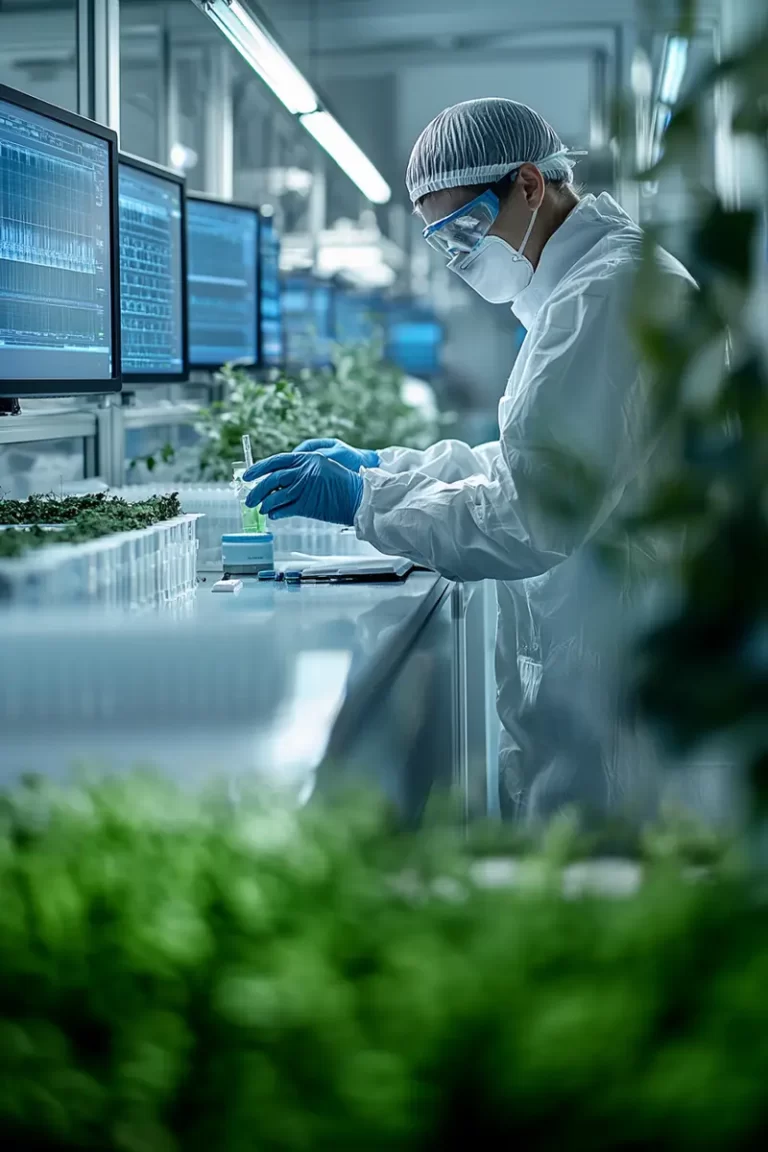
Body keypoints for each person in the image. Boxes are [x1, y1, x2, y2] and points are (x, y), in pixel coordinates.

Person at [245, 98, 695, 823]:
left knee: (610, 884)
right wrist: (382, 468)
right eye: (442, 242)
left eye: (464, 230)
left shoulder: (602, 298)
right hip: (610, 659)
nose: (458, 258)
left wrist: (365, 502)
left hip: (623, 690)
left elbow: (528, 517)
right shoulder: (583, 291)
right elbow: (539, 462)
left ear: (528, 186)